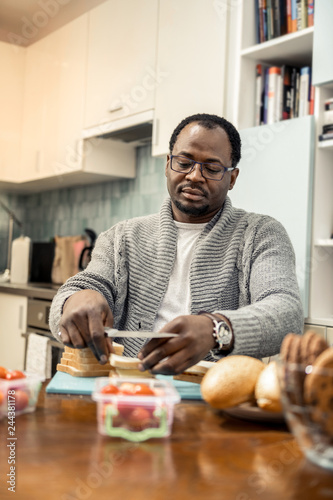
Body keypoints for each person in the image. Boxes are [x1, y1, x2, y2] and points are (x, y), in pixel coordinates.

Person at [49, 113, 303, 375]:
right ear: (168, 164)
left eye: (212, 168)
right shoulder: (121, 237)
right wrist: (75, 300)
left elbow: (286, 313)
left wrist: (216, 329)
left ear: (233, 178)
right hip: (127, 392)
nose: (194, 176)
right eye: (184, 162)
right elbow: (88, 285)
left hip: (218, 399)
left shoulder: (261, 233)